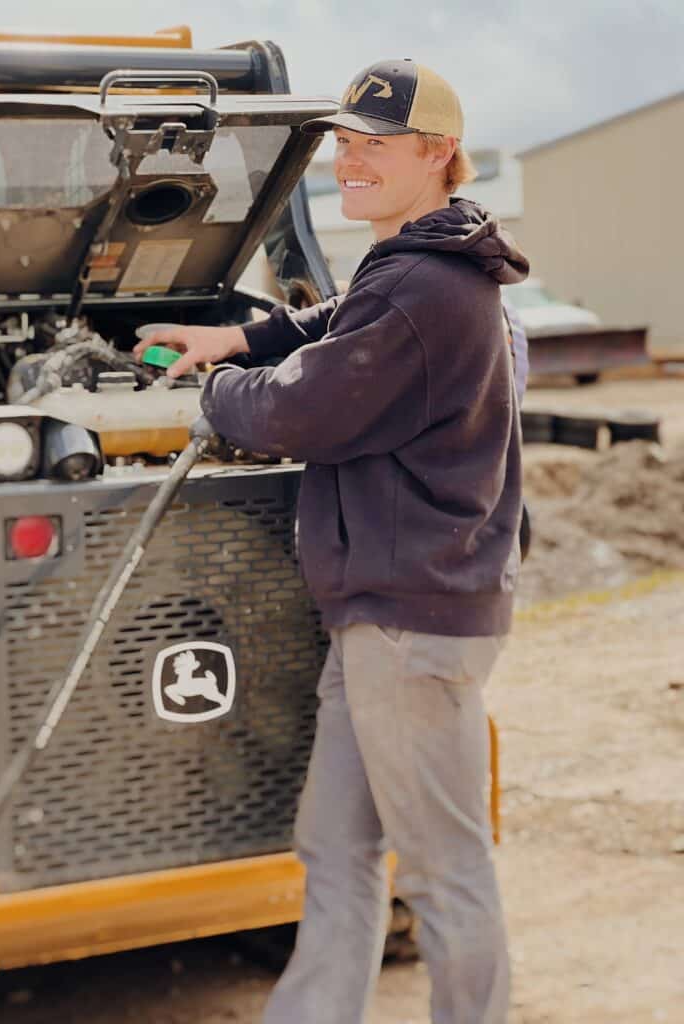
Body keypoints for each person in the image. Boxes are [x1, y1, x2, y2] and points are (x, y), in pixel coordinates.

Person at [135, 58, 528, 1024]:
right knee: (336, 844)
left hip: (409, 622)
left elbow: (306, 411)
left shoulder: (424, 287)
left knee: (443, 872)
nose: (351, 161)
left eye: (376, 145)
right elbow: (341, 327)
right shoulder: (424, 270)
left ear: (439, 155)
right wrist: (235, 341)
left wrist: (212, 393)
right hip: (381, 617)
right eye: (344, 143)